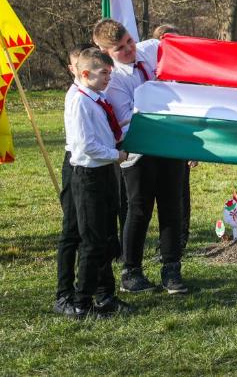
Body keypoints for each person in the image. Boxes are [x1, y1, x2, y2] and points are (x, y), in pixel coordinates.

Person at [94, 19, 188, 294]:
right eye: (120, 48)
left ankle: (172, 269)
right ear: (105, 51)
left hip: (171, 143)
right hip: (139, 151)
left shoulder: (148, 49)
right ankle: (131, 271)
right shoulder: (115, 81)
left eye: (129, 42)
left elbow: (173, 46)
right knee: (139, 209)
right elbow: (126, 120)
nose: (128, 50)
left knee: (172, 206)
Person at [63, 48, 131, 318]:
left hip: (104, 174)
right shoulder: (80, 101)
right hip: (89, 176)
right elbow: (86, 145)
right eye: (104, 74)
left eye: (110, 73)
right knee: (91, 241)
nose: (108, 79)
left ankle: (106, 296)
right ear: (85, 73)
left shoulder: (97, 98)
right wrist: (118, 155)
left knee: (105, 237)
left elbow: (104, 132)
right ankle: (82, 302)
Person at [54, 43, 96, 315]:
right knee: (72, 231)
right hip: (75, 164)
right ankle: (64, 294)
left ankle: (95, 291)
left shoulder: (91, 95)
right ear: (74, 69)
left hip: (94, 166)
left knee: (90, 234)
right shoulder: (77, 96)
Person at [151, 24, 197, 251]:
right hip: (154, 144)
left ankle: (179, 239)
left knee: (180, 193)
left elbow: (193, 115)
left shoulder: (187, 76)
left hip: (180, 143)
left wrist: (192, 149)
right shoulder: (149, 74)